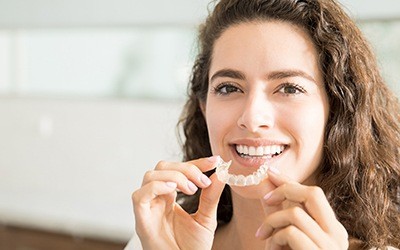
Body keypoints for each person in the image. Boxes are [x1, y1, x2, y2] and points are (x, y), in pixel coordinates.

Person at [127, 0, 400, 249]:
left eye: (290, 88)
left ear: (337, 110)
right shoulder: (156, 242)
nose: (252, 119)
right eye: (228, 88)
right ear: (204, 107)